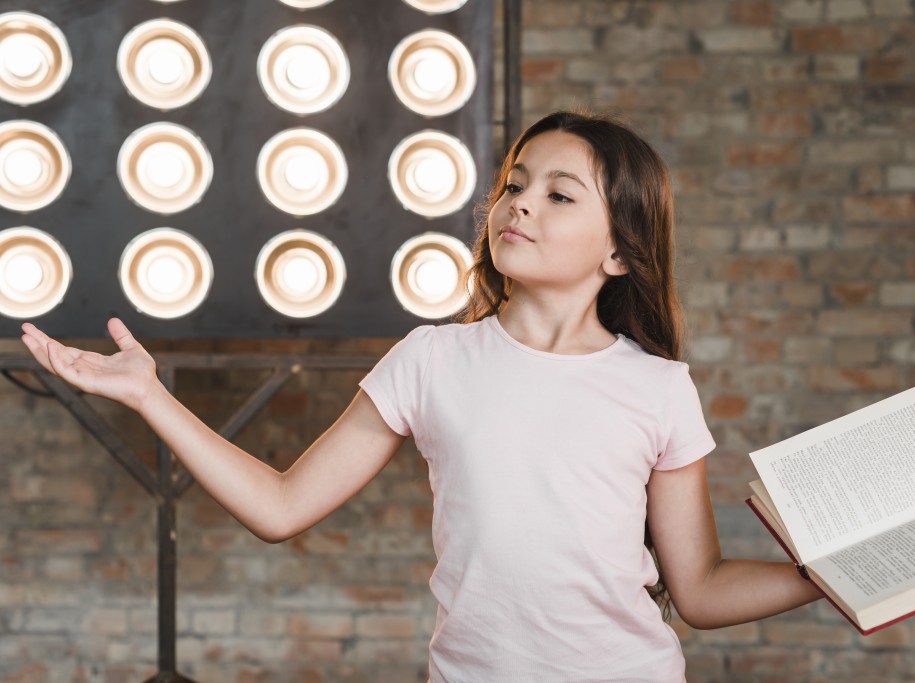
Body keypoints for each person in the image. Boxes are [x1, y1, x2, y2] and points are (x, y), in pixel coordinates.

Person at [21, 111, 822, 682]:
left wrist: (821, 576)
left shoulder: (658, 386)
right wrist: (150, 397)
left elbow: (702, 589)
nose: (520, 203)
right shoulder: (431, 358)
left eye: (559, 194)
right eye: (516, 183)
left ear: (619, 251)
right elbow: (279, 506)